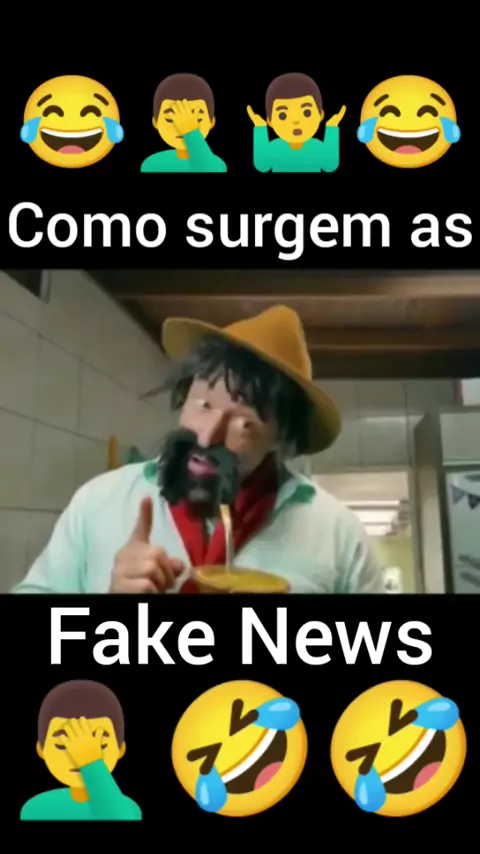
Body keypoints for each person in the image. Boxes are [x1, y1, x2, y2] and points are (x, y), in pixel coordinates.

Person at [13, 305, 385, 594]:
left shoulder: (337, 534)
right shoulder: (99, 502)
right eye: (203, 404)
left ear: (280, 437)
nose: (207, 438)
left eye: (244, 424)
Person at [21, 680, 141, 820]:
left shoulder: (126, 808)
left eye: (101, 745)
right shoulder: (37, 809)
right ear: (41, 749)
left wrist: (92, 762)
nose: (78, 757)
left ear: (121, 749)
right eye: (62, 745)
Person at [247, 72, 346, 172]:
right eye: (283, 115)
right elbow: (262, 165)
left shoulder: (317, 147)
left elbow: (330, 165)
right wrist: (260, 128)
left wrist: (332, 128)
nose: (295, 121)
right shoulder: (275, 148)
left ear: (320, 115)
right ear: (270, 121)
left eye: (307, 113)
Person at [141, 73, 227, 172]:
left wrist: (190, 130)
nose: (181, 128)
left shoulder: (216, 164)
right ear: (155, 122)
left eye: (198, 119)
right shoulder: (152, 164)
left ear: (211, 122)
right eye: (170, 119)